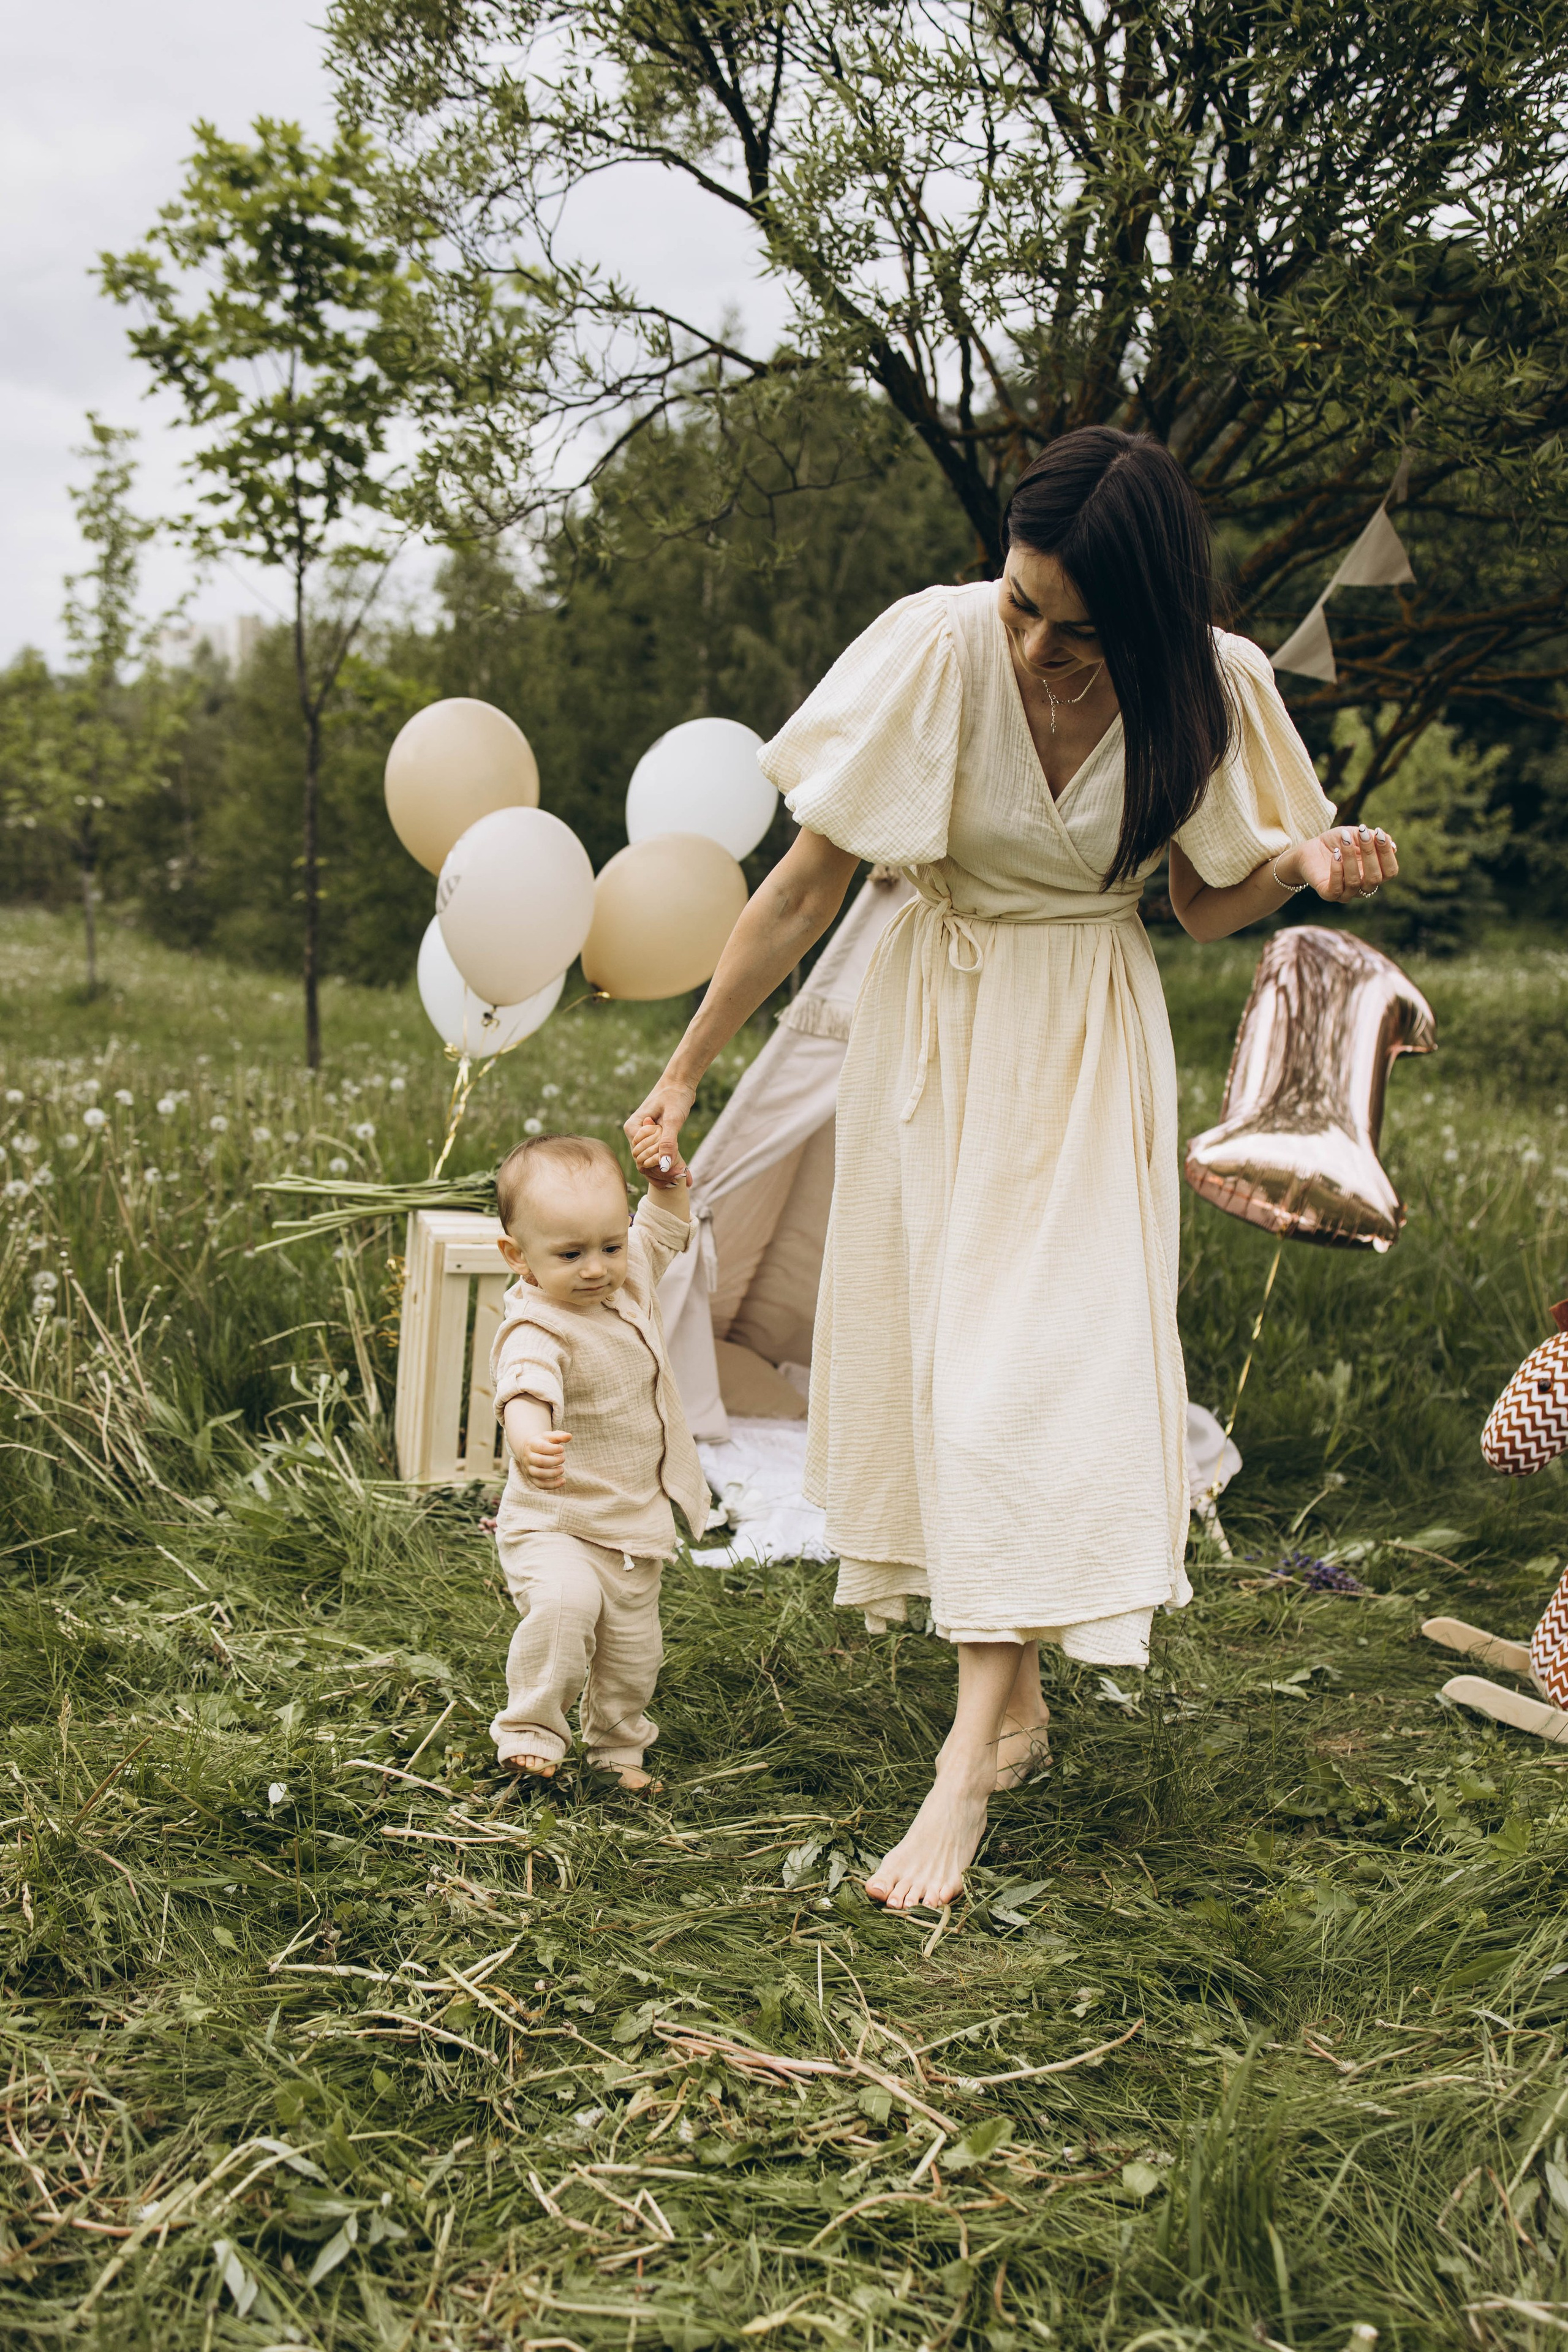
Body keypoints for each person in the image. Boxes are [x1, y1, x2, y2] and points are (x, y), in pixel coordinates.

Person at [625, 426, 1399, 1905]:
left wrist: (1292, 867)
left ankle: (962, 1764)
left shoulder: (1211, 686)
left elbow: (1199, 903)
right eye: (1021, 603)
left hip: (1082, 1036)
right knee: (953, 1368)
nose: (1039, 645)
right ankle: (1017, 1706)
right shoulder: (936, 647)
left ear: (1149, 622)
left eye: (1080, 631)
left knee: (1026, 1372)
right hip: (934, 1023)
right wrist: (680, 1070)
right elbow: (799, 890)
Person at [487, 1126, 706, 1790]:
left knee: (633, 1656)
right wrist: (529, 1440)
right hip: (554, 1521)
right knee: (565, 1607)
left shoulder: (626, 1276)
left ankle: (616, 1751)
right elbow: (524, 1387)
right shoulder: (539, 1323)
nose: (596, 1268)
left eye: (610, 1245)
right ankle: (531, 1732)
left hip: (632, 1524)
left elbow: (662, 1228)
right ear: (518, 1256)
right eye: (570, 1253)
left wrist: (666, 1182)